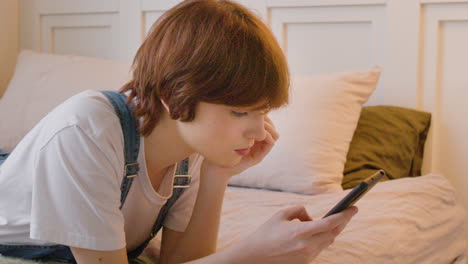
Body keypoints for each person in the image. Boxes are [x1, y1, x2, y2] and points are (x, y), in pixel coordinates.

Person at [0, 0, 358, 263]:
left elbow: (182, 261)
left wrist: (219, 174)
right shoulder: (88, 129)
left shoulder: (190, 149)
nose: (257, 130)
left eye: (262, 111)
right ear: (174, 96)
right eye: (239, 111)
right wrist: (253, 253)